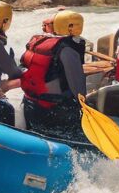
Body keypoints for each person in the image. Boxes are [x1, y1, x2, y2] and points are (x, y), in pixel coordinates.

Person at [19, 10, 89, 140]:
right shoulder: (67, 49)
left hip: (30, 104)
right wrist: (84, 106)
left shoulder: (40, 42)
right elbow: (77, 86)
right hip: (56, 111)